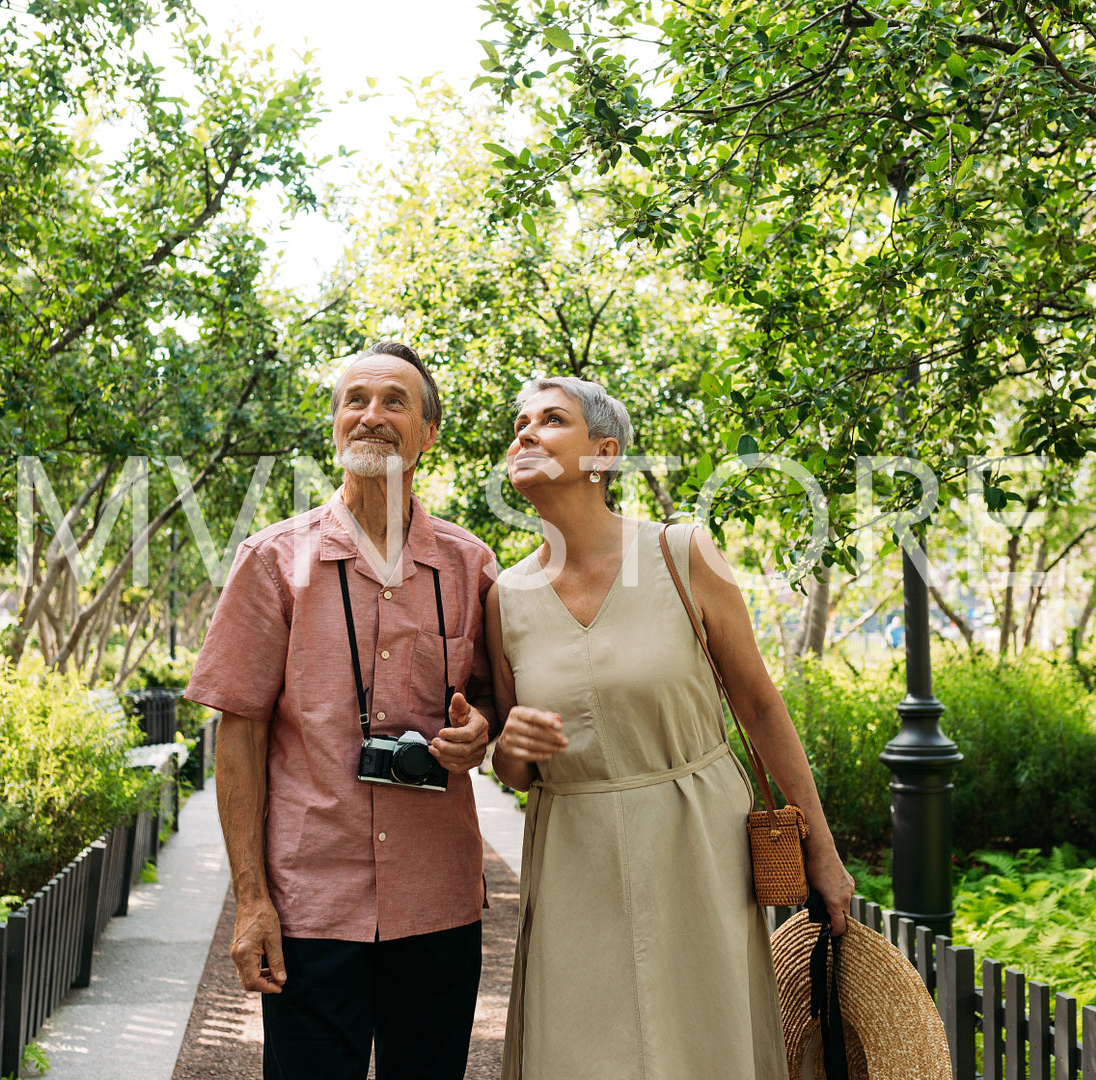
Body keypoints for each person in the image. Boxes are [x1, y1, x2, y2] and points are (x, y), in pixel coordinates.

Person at [487, 376, 855, 1080]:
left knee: (704, 1046)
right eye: (520, 422)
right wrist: (509, 749)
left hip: (697, 844)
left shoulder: (683, 552)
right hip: (572, 858)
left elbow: (758, 707)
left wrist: (823, 852)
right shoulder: (505, 597)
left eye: (550, 420)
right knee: (578, 1052)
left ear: (603, 455)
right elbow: (516, 770)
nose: (524, 433)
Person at [184, 341, 497, 1080]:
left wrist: (479, 728)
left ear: (428, 434)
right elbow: (239, 737)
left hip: (437, 900)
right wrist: (251, 901)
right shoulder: (271, 561)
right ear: (333, 424)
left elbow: (491, 700)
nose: (371, 416)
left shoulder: (469, 564)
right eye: (354, 400)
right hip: (310, 899)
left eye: (395, 402)